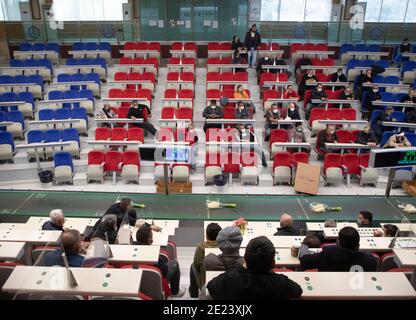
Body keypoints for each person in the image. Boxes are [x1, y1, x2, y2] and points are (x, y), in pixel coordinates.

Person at [207, 236, 303, 300]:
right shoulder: (280, 282)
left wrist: (238, 268)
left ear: (245, 259)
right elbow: (298, 291)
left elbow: (211, 287)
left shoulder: (233, 278)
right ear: (273, 263)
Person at [134, 224, 185, 297]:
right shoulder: (152, 255)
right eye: (151, 236)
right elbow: (165, 270)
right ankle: (175, 292)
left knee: (163, 258)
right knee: (174, 263)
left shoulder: (131, 250)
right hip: (155, 279)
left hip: (138, 280)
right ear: (149, 240)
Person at [299, 227, 377, 271]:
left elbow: (304, 260)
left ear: (338, 243)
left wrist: (304, 244)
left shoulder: (328, 253)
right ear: (358, 244)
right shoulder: (370, 259)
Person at [189, 223, 222, 298]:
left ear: (206, 235)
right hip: (222, 281)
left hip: (205, 283)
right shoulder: (224, 246)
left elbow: (196, 264)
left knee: (192, 266)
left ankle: (193, 294)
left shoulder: (201, 247)